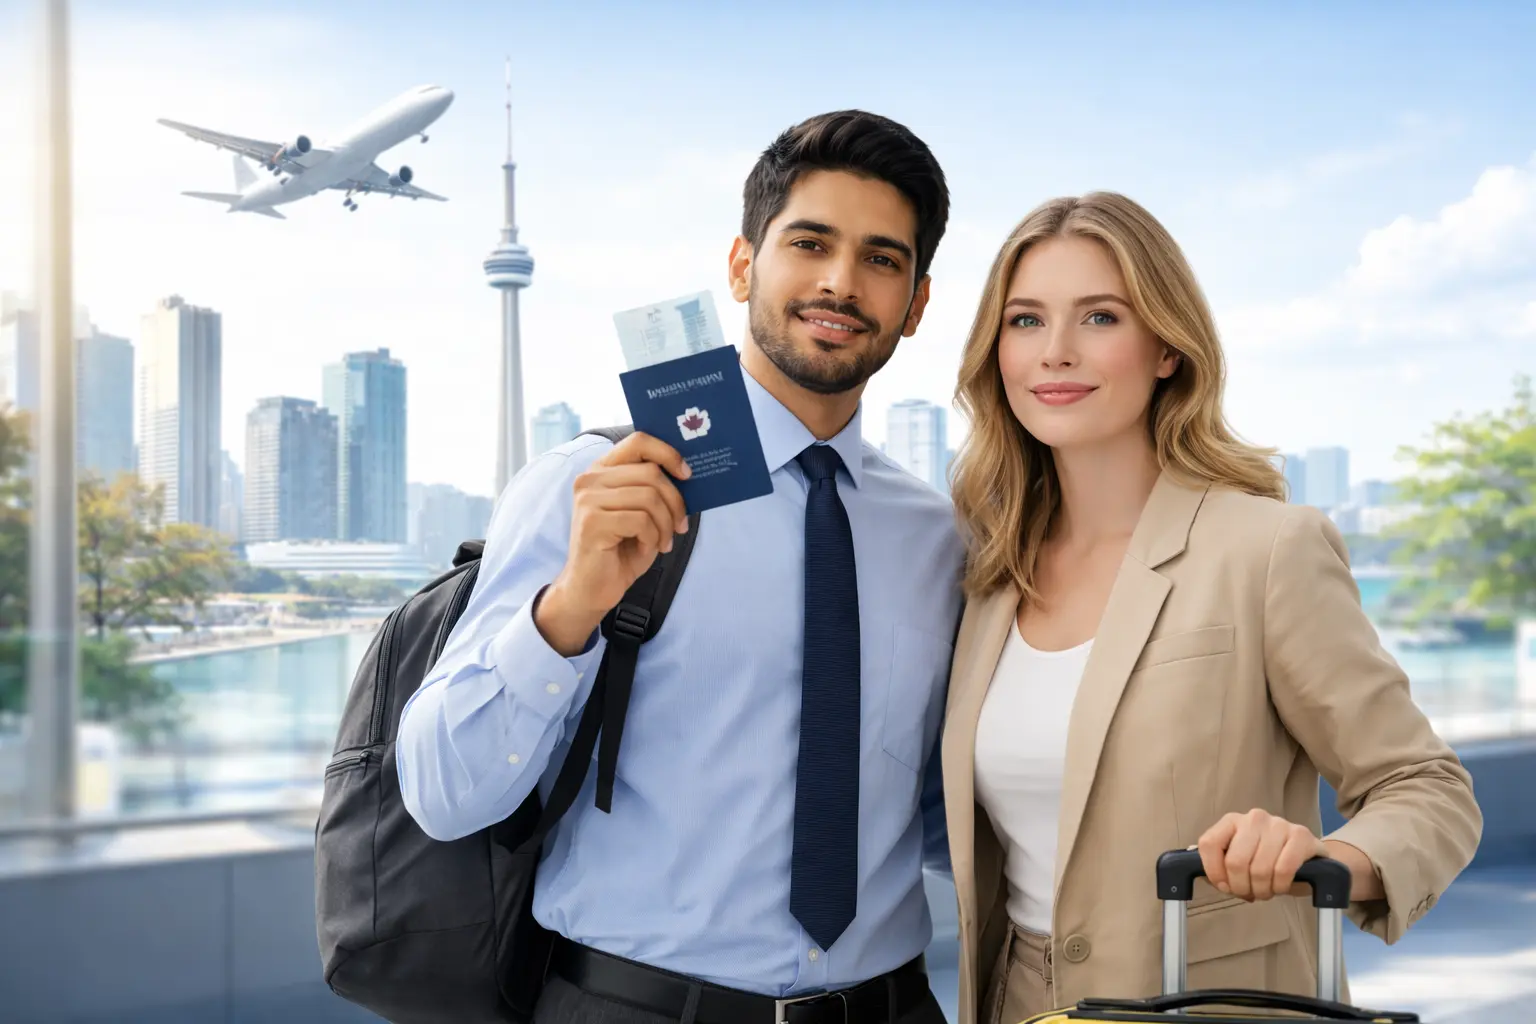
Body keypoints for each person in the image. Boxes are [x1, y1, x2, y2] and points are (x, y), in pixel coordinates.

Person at [396, 110, 964, 1024]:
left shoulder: (939, 540)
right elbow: (440, 795)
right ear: (743, 265)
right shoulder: (594, 486)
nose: (839, 282)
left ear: (918, 302)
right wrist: (570, 608)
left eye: (881, 259)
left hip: (891, 1008)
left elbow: (944, 822)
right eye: (809, 242)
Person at [938, 191, 1483, 1023]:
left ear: (1166, 348)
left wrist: (1328, 855)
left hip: (1213, 1004)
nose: (1053, 352)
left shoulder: (1266, 550)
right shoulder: (985, 570)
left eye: (1099, 318)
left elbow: (1427, 788)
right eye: (1024, 321)